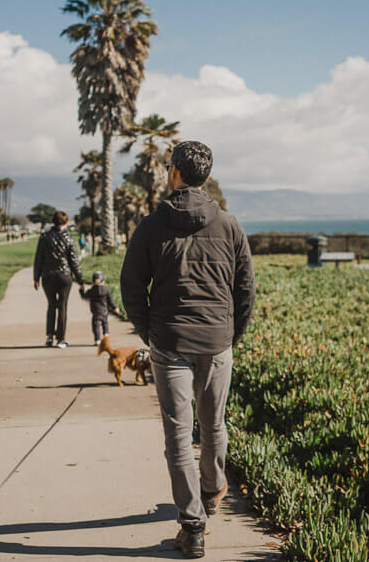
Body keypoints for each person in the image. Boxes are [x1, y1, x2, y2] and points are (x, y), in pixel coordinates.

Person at [120, 141, 255, 559]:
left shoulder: (149, 226)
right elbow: (245, 288)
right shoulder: (229, 224)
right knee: (213, 426)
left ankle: (192, 527)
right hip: (216, 342)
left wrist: (148, 331)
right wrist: (231, 334)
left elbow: (130, 285)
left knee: (178, 435)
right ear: (206, 176)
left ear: (174, 172)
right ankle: (212, 491)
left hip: (170, 344)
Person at [33, 211, 84, 349]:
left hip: (48, 276)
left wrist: (36, 277)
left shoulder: (44, 237)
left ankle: (49, 336)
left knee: (51, 305)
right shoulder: (69, 239)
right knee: (62, 307)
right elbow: (74, 262)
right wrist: (80, 280)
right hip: (64, 276)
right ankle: (61, 339)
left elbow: (38, 259)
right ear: (65, 223)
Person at [79, 271, 120, 345]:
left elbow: (84, 296)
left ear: (93, 281)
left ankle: (97, 339)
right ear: (103, 281)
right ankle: (106, 335)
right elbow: (111, 301)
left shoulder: (92, 290)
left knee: (96, 326)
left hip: (95, 312)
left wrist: (81, 290)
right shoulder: (106, 290)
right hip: (104, 311)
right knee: (105, 323)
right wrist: (115, 307)